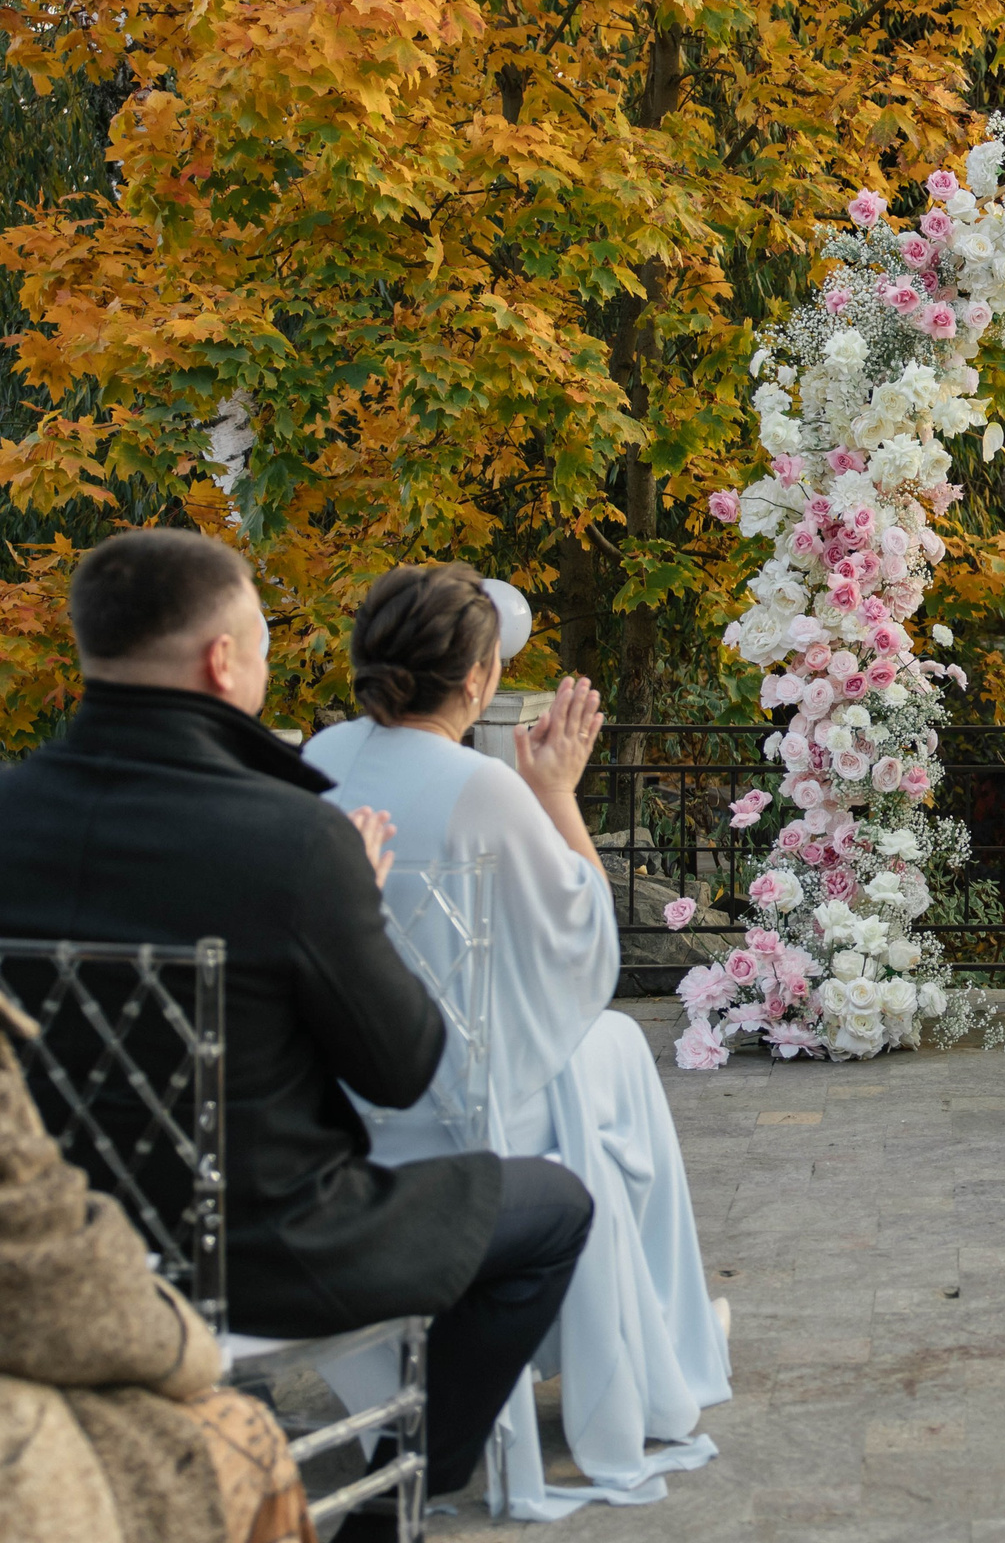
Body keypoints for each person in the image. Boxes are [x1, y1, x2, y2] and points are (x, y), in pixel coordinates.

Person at [0, 529, 591, 1540]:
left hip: (61, 1245)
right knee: (553, 1206)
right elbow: (403, 1070)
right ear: (221, 662)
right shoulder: (295, 837)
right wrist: (351, 906)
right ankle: (386, 1507)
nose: (268, 666)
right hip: (266, 1245)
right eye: (264, 644)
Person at [304, 563, 729, 1516]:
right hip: (461, 1104)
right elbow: (586, 951)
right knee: (614, 1046)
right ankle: (650, 1343)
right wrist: (557, 791)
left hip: (343, 1094)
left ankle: (650, 1330)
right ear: (482, 679)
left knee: (605, 1050)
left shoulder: (316, 758)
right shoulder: (478, 786)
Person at [0, 991, 317, 1543]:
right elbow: (45, 1279)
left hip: (193, 1246)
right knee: (241, 1437)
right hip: (263, 1241)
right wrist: (180, 1346)